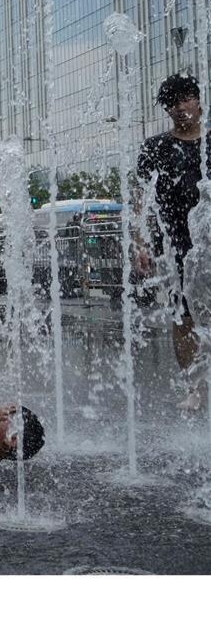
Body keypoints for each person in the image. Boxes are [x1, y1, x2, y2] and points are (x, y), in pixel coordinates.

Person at [135, 74, 209, 411]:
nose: (180, 108)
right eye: (172, 103)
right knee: (183, 318)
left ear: (198, 99)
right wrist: (141, 243)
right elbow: (143, 201)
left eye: (185, 99)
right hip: (177, 243)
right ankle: (195, 387)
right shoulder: (156, 148)